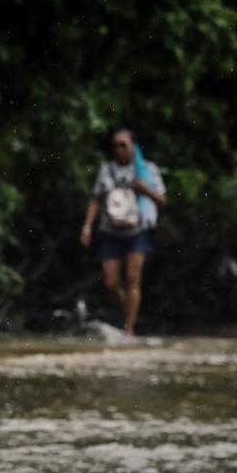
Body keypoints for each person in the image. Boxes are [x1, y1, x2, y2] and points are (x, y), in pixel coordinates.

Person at [80, 126, 168, 338]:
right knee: (110, 283)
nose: (118, 150)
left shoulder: (147, 170)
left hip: (138, 231)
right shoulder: (106, 169)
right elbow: (96, 198)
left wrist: (144, 189)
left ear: (133, 147)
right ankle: (125, 316)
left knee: (132, 278)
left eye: (123, 145)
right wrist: (87, 226)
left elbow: (163, 201)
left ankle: (129, 329)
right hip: (109, 230)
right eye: (115, 146)